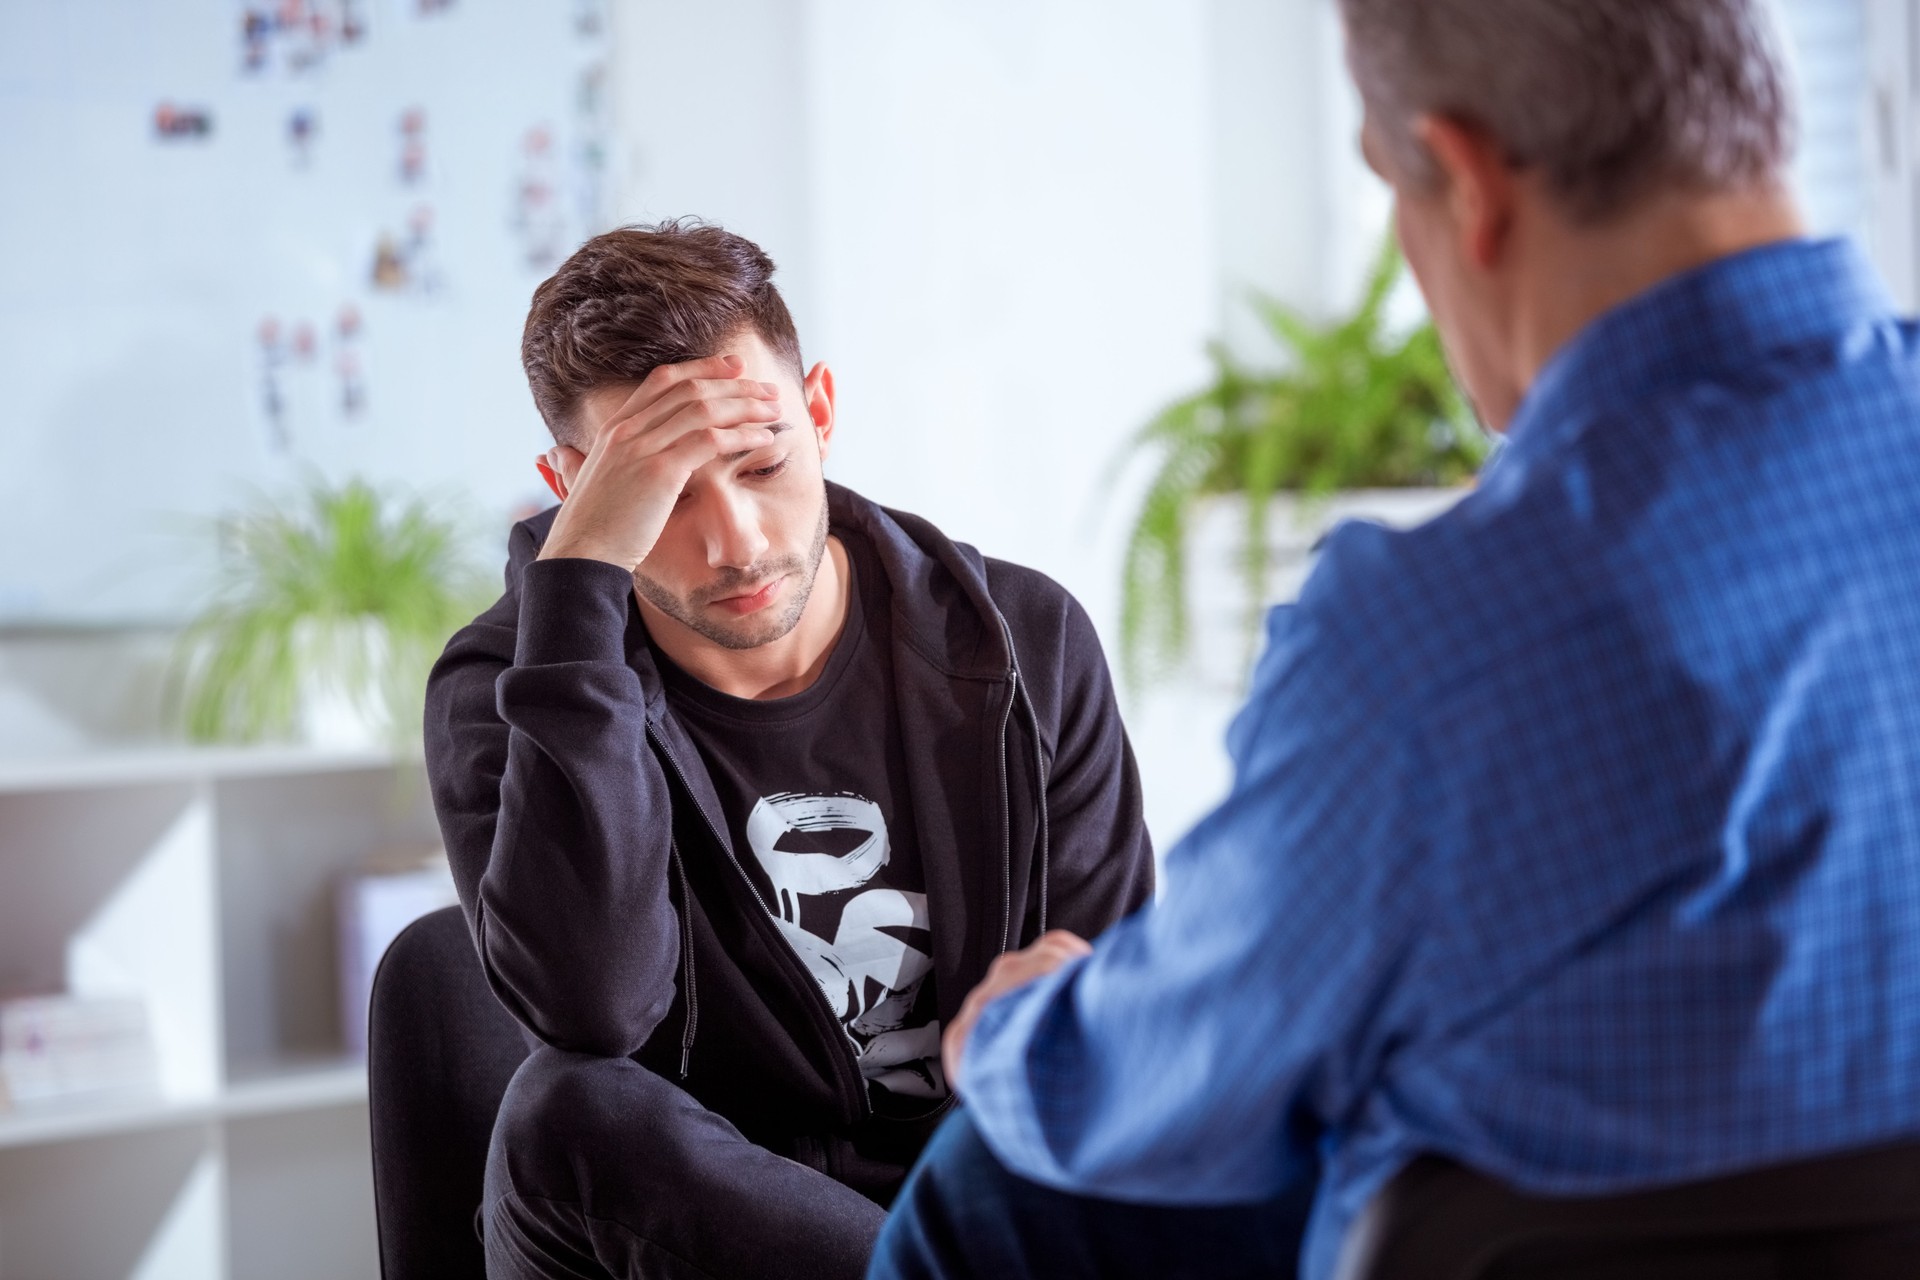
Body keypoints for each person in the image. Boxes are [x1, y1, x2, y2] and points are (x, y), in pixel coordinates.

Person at [870, 2, 1920, 1278]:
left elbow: (1150, 1083)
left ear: (1467, 185)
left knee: (990, 1183)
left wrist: (1012, 1029)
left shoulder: (1432, 639)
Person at [422, 221, 1153, 1280]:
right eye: (663, 495)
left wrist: (1087, 1011)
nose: (739, 543)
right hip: (698, 1239)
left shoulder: (1024, 643)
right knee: (564, 1109)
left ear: (818, 410)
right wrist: (575, 586)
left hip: (989, 1213)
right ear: (573, 486)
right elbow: (595, 1006)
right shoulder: (503, 687)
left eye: (761, 463)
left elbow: (1120, 1041)